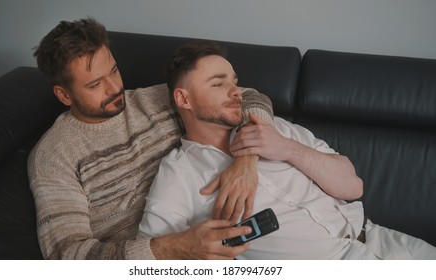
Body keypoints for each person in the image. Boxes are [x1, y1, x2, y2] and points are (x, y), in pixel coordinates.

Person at [137, 41, 436, 259]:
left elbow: (353, 187)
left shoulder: (275, 126)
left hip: (382, 239)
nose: (236, 91)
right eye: (218, 84)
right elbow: (151, 252)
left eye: (234, 81)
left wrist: (287, 148)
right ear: (184, 99)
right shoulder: (179, 173)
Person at [27, 17, 276, 259]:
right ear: (64, 95)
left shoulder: (154, 100)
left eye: (114, 70)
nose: (114, 88)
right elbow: (68, 256)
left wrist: (247, 157)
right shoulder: (53, 156)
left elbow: (251, 97)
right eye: (94, 85)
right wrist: (175, 248)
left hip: (210, 235)